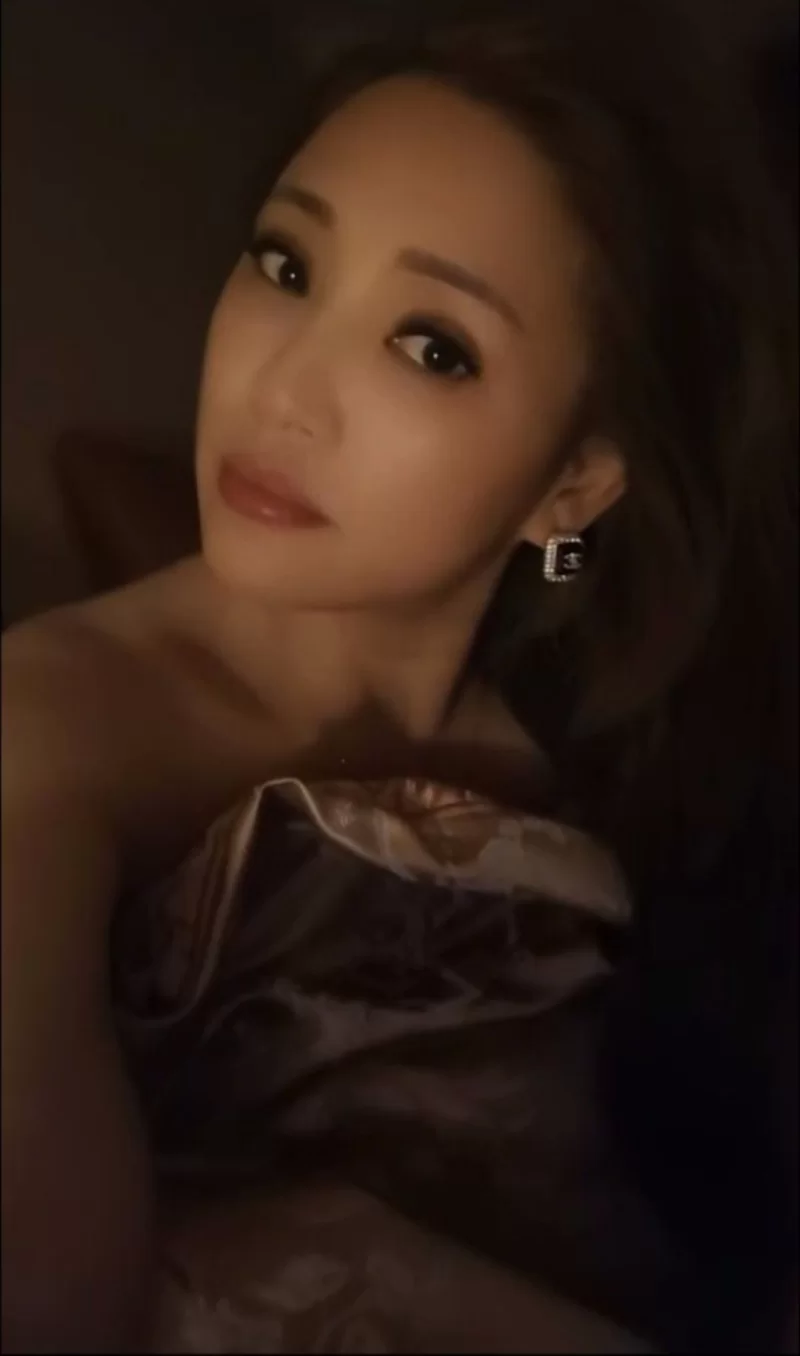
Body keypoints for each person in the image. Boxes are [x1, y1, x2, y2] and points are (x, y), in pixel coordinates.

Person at [2, 0, 796, 1350]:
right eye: (285, 263)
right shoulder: (48, 738)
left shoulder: (639, 745)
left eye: (432, 344)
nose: (283, 389)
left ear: (573, 483)